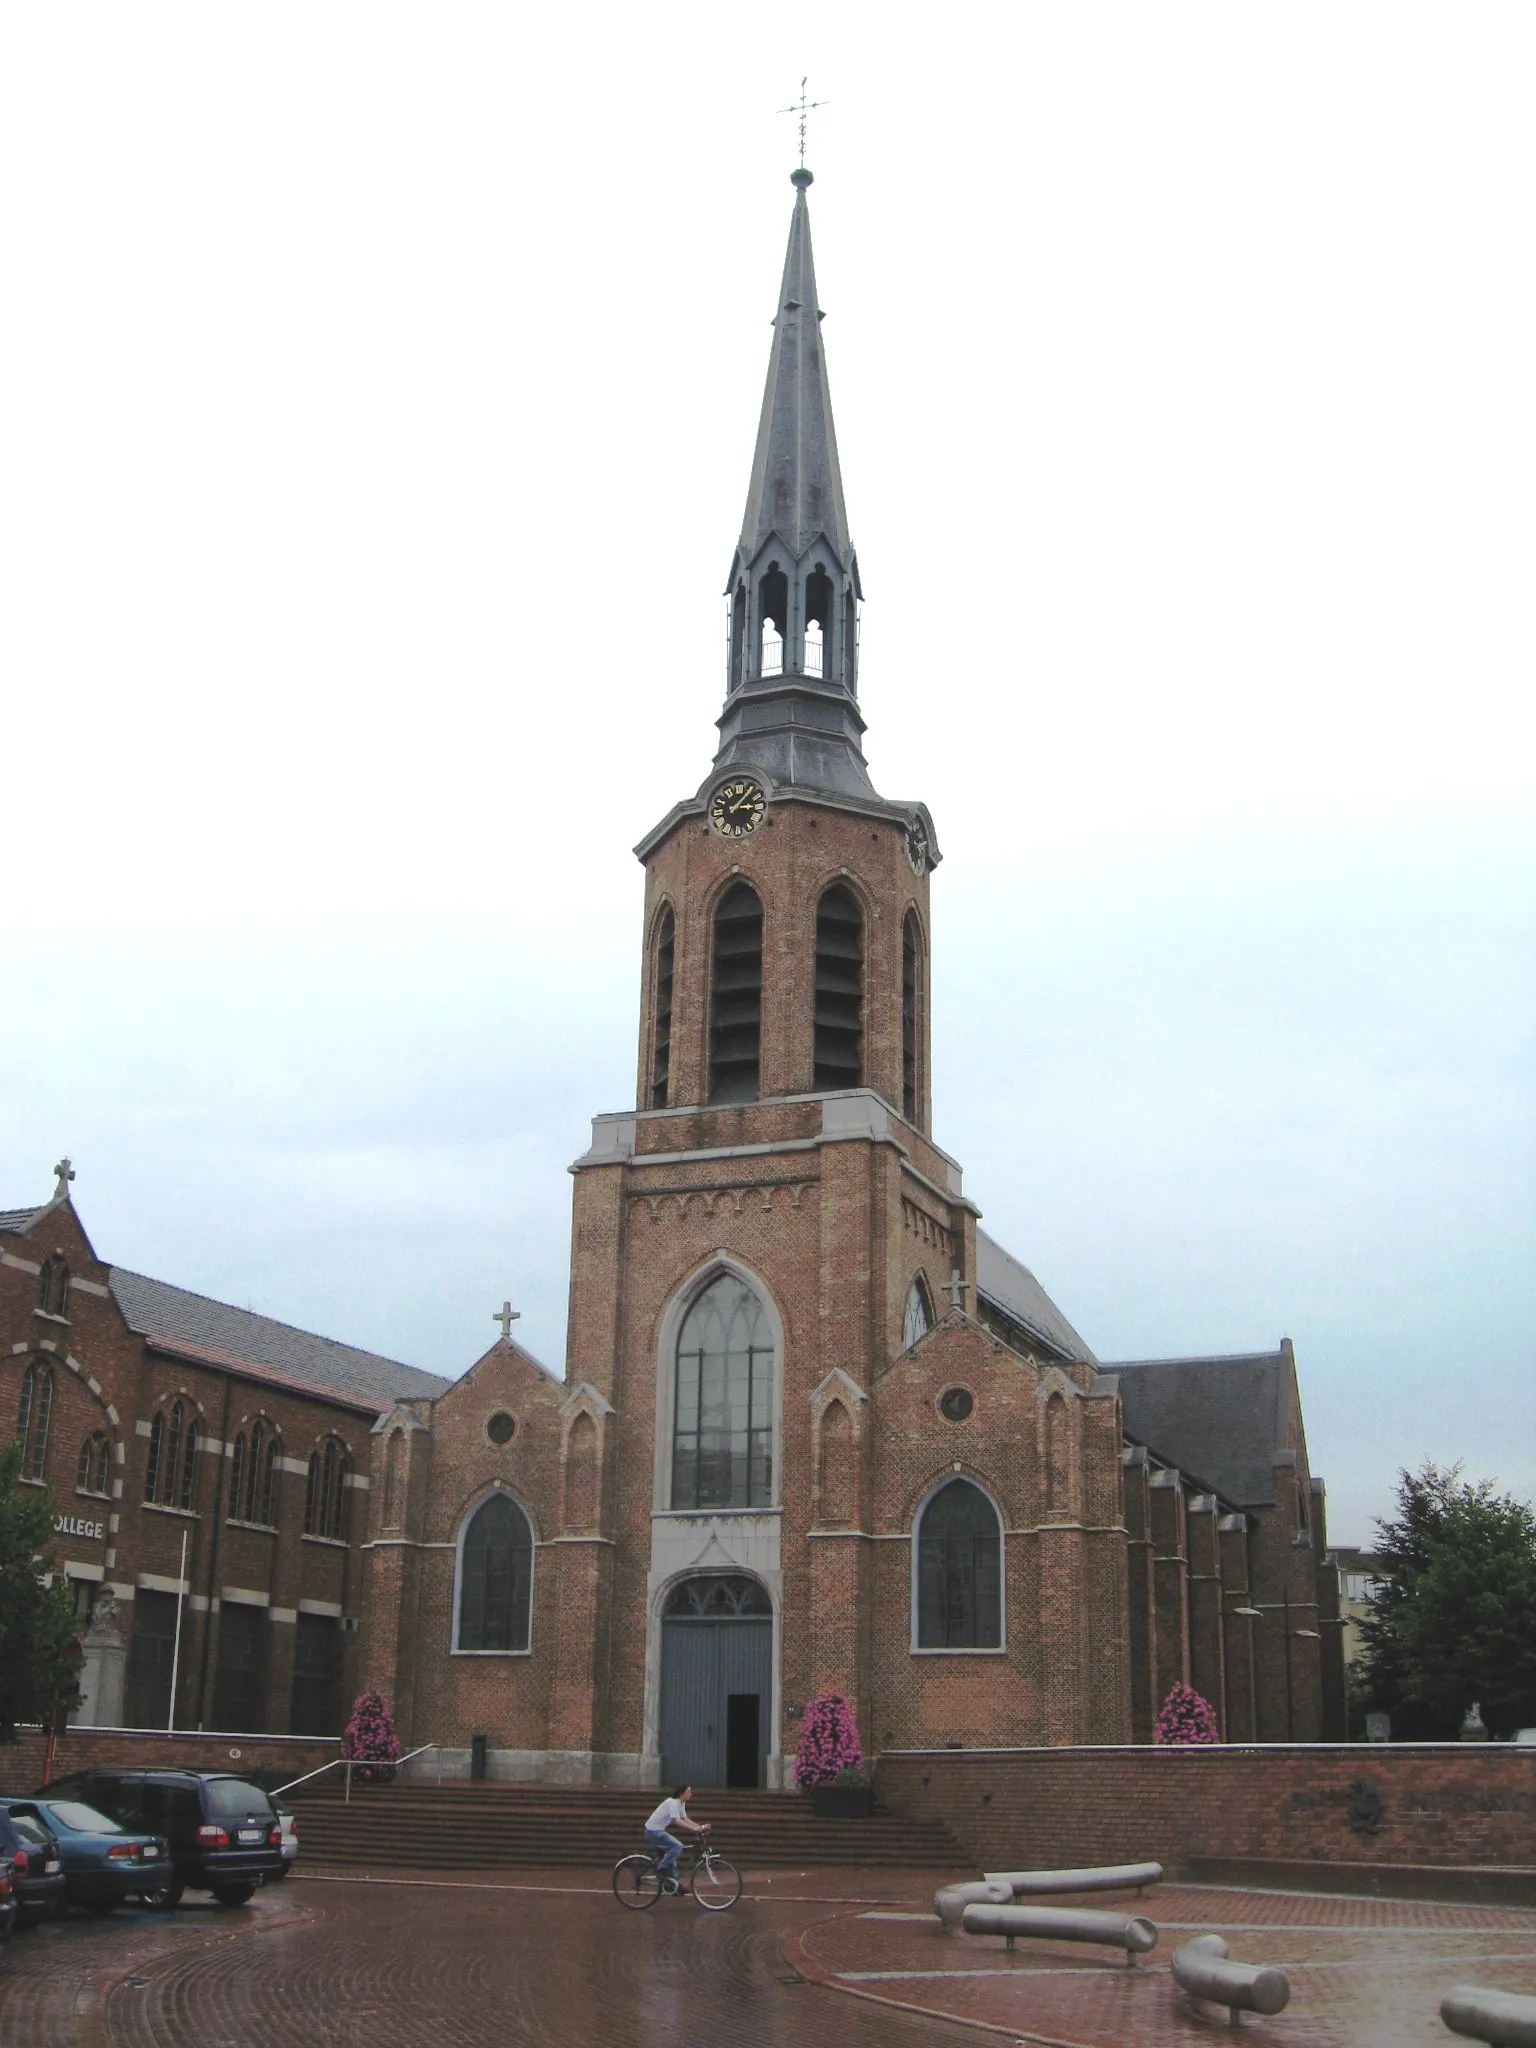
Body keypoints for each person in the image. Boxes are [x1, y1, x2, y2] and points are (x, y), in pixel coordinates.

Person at [644, 1784, 708, 1892]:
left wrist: (699, 1827)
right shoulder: (673, 1803)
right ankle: (660, 1869)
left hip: (658, 1831)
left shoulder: (680, 1803)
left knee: (671, 1858)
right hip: (653, 1831)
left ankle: (674, 1886)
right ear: (682, 1793)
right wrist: (695, 1829)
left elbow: (684, 1818)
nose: (691, 1794)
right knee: (677, 1846)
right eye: (689, 1792)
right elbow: (676, 1821)